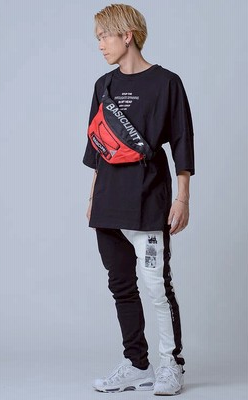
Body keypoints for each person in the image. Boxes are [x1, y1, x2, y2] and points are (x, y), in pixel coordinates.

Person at [83, 4, 195, 396]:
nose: (100, 45)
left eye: (104, 36)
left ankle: (171, 365)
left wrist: (182, 198)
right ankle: (136, 364)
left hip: (148, 198)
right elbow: (97, 146)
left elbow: (182, 140)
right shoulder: (103, 85)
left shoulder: (167, 83)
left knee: (156, 286)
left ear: (126, 35)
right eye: (98, 38)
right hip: (108, 201)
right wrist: (93, 197)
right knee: (121, 286)